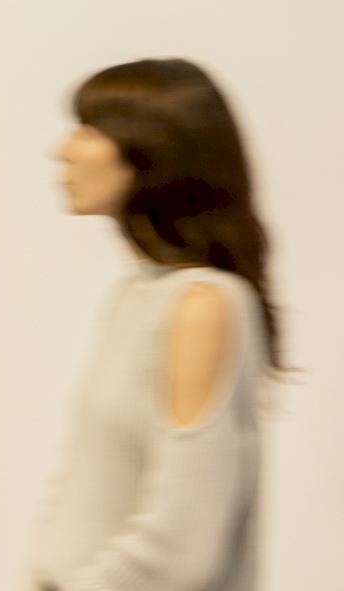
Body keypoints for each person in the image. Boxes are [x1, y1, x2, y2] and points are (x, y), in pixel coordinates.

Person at [27, 58, 280, 590]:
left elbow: (183, 545)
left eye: (89, 130)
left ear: (150, 149)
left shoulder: (203, 304)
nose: (62, 150)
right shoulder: (136, 297)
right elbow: (87, 493)